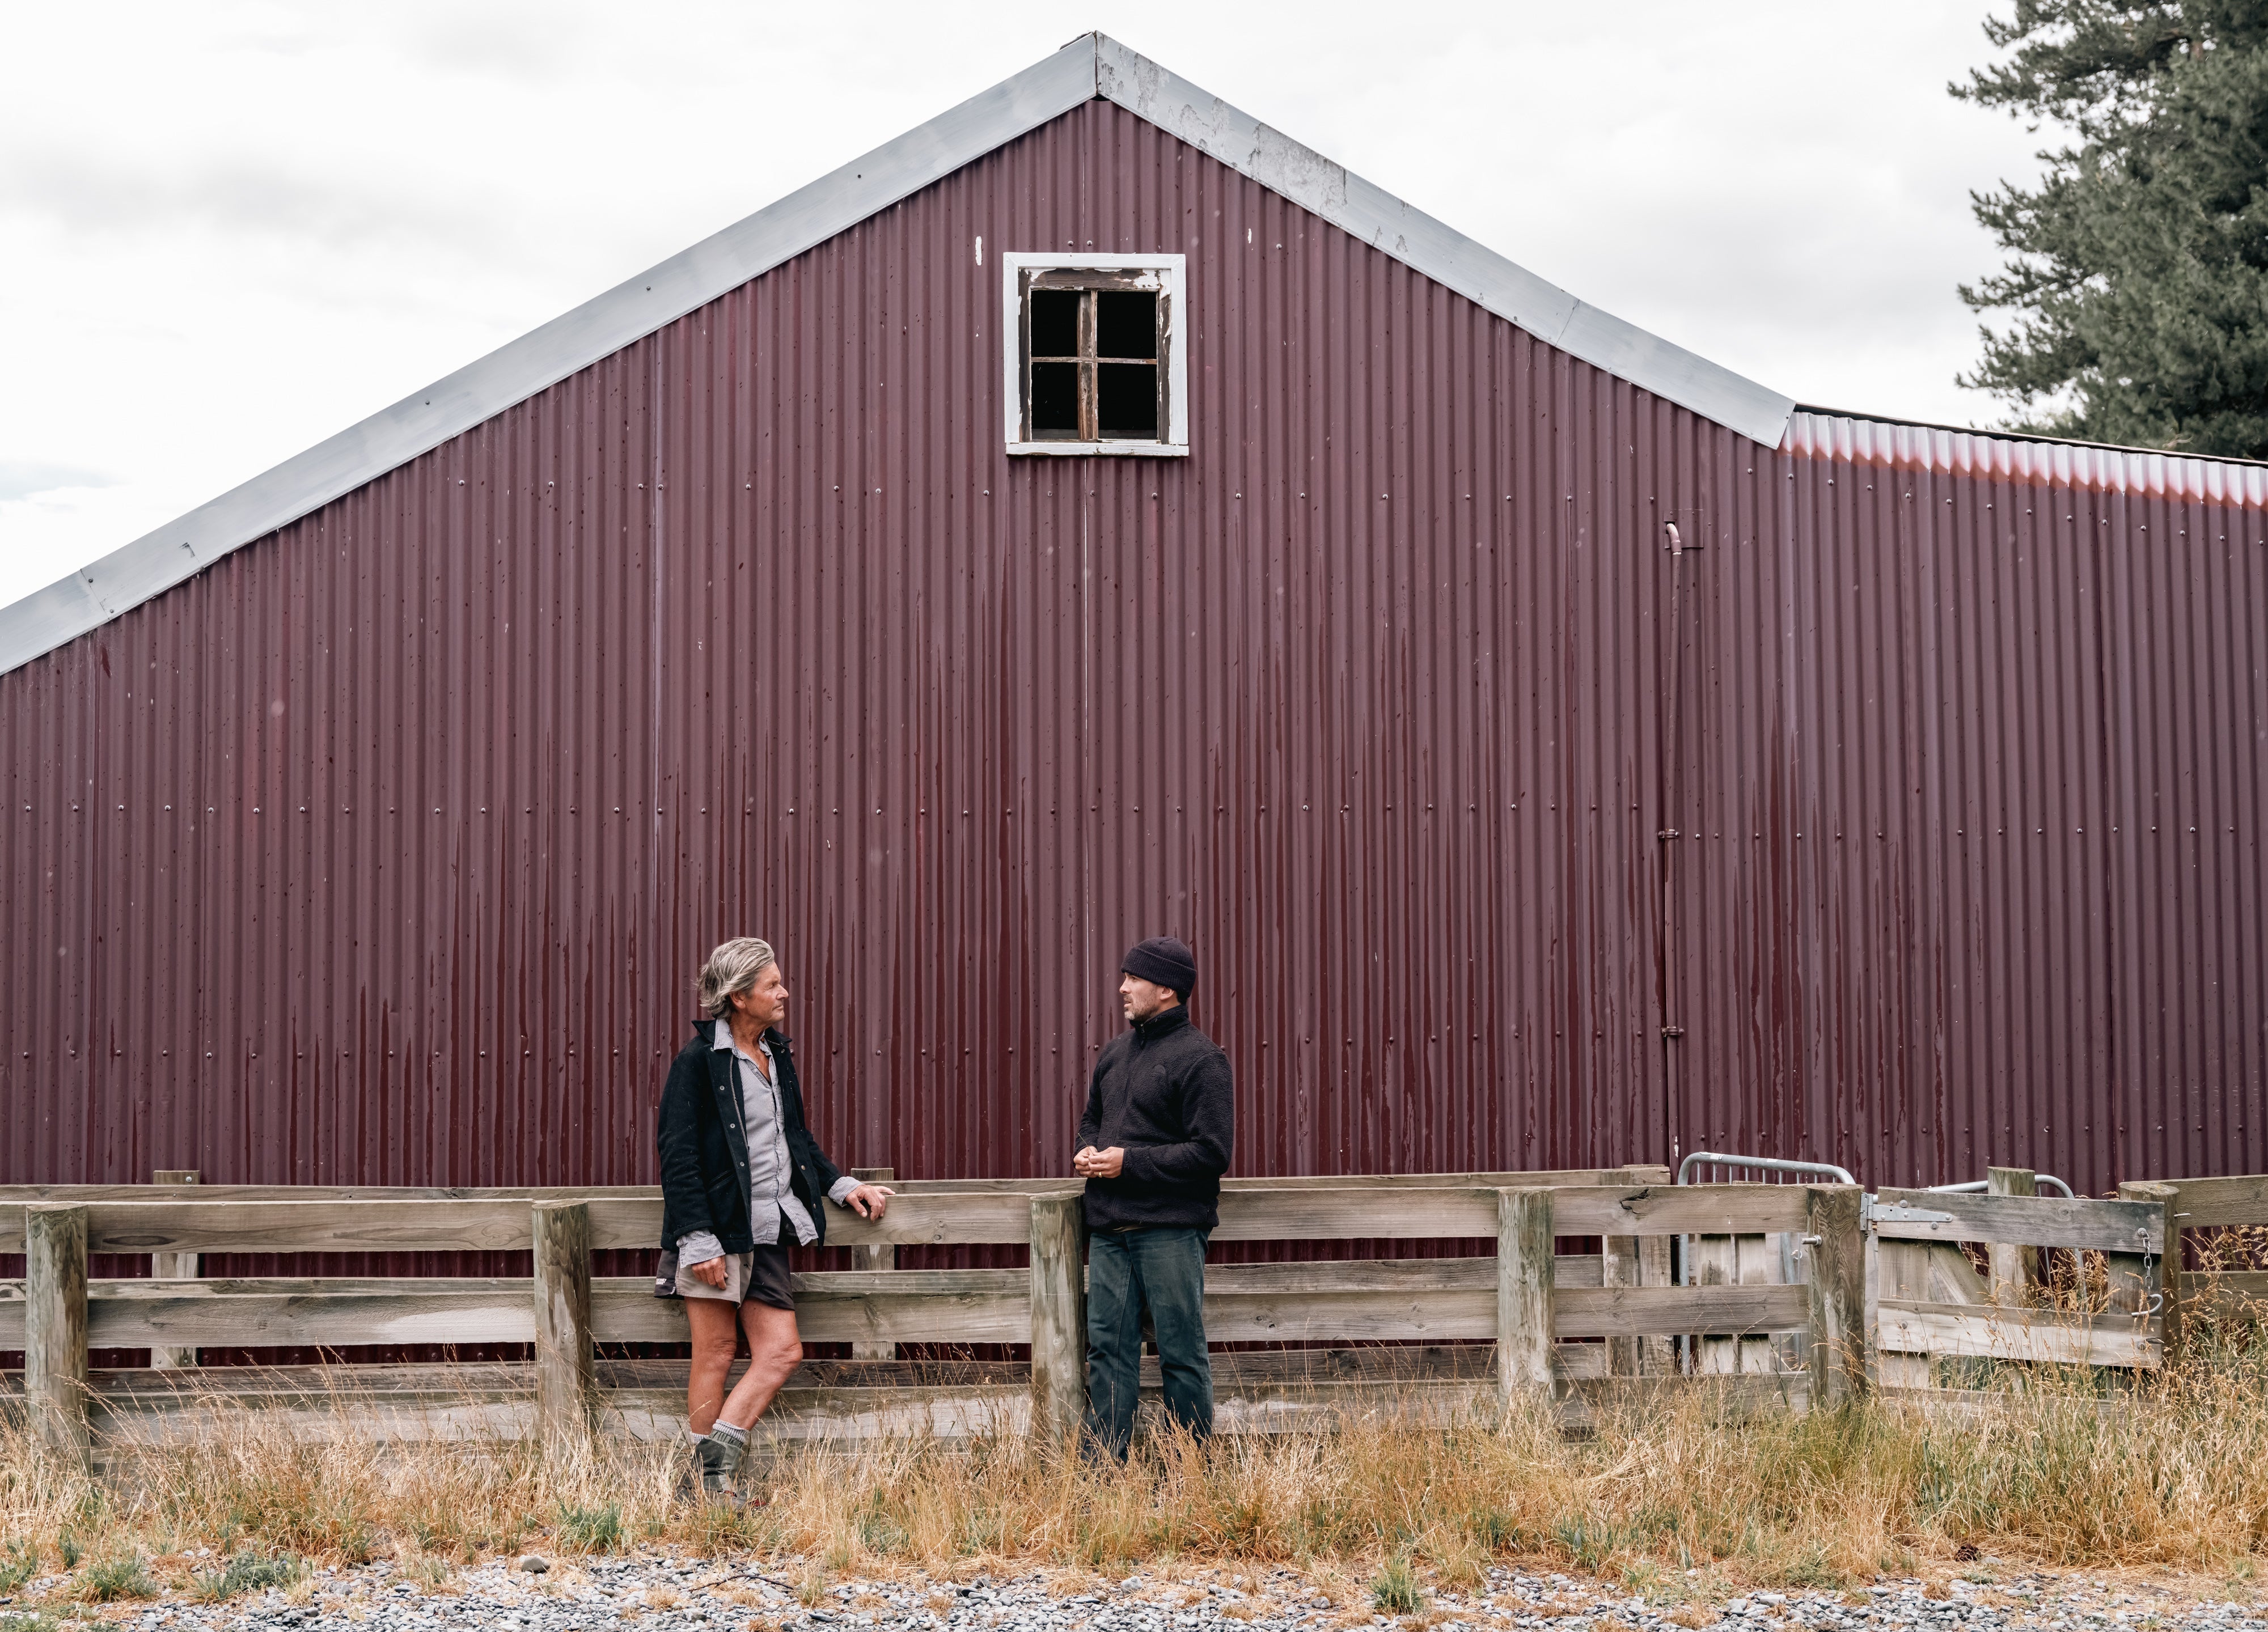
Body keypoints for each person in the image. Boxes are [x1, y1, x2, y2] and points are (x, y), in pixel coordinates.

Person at [655, 936, 894, 1504]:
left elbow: (796, 1137)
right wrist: (697, 1237)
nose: (784, 992)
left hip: (768, 1228)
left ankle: (708, 1476)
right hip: (714, 1232)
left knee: (781, 1351)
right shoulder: (699, 1061)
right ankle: (711, 1488)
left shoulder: (776, 1052)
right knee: (714, 1352)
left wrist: (841, 1183)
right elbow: (677, 1153)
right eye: (772, 984)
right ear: (739, 996)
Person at [1072, 935, 1234, 1459]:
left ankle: (1188, 1475)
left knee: (1180, 1356)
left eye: (1132, 979)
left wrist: (1128, 1162)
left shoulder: (1202, 1059)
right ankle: (1102, 1481)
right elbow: (1090, 1120)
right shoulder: (1116, 1054)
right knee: (1107, 1354)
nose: (1122, 988)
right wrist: (1088, 1151)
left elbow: (1211, 1153)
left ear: (1165, 988)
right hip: (1110, 1231)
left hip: (1169, 1231)